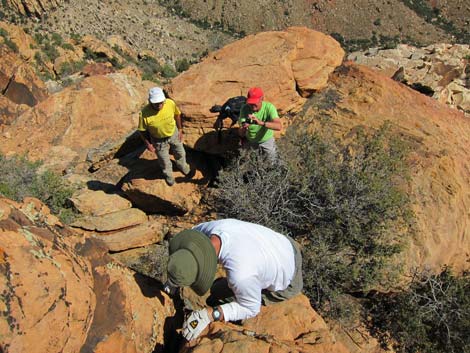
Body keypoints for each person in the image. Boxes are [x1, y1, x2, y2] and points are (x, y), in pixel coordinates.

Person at [165, 219, 303, 342]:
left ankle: (233, 324)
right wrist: (174, 279)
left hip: (288, 274)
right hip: (281, 242)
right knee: (217, 290)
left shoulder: (241, 274)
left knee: (227, 298)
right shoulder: (206, 230)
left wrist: (209, 315)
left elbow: (251, 307)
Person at [137, 87, 190, 186]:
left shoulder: (170, 103)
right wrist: (148, 144)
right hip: (158, 140)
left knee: (180, 152)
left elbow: (177, 115)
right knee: (164, 161)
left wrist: (180, 129)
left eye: (161, 102)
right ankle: (168, 175)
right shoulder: (144, 113)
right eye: (156, 103)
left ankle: (182, 166)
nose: (159, 105)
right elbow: (142, 131)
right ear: (150, 101)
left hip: (173, 133)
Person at [238, 87, 282, 160]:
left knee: (273, 162)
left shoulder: (269, 107)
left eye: (254, 102)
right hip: (250, 141)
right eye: (250, 103)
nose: (252, 106)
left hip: (266, 141)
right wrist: (244, 127)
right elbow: (241, 133)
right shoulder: (245, 108)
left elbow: (279, 126)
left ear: (262, 99)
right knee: (248, 162)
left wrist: (260, 123)